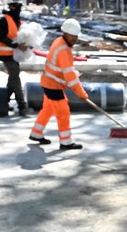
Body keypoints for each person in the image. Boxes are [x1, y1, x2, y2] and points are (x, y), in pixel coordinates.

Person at [29, 19, 87, 150]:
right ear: (65, 33)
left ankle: (36, 133)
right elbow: (70, 76)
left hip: (48, 82)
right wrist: (81, 94)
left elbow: (62, 69)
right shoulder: (64, 50)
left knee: (48, 109)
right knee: (63, 113)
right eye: (72, 36)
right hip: (53, 86)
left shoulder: (59, 41)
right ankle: (66, 142)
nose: (75, 39)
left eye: (76, 36)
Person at [0, 0, 30, 116]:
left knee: (13, 78)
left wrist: (28, 44)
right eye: (17, 6)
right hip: (5, 54)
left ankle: (2, 102)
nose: (19, 9)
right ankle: (22, 106)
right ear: (11, 7)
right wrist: (16, 45)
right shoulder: (4, 20)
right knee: (15, 77)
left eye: (20, 7)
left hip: (14, 55)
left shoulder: (18, 21)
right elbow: (1, 37)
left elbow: (20, 37)